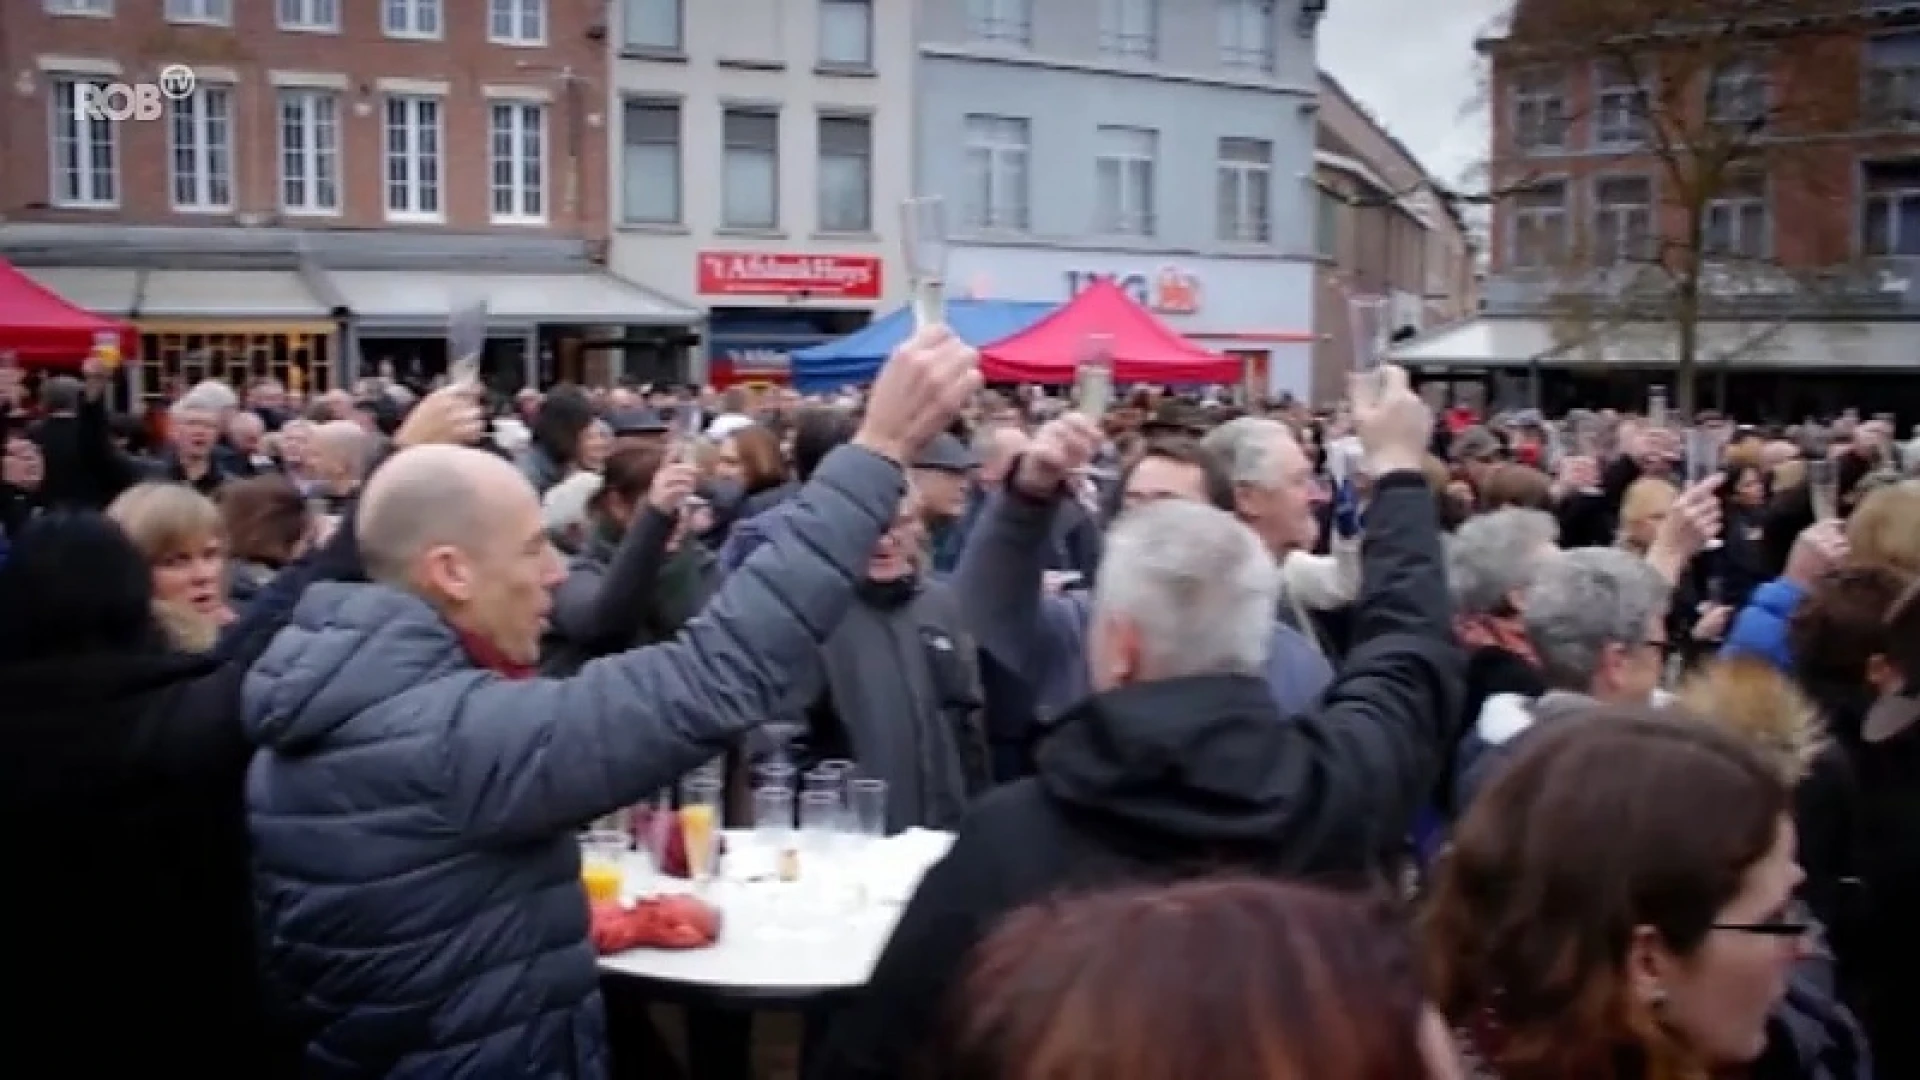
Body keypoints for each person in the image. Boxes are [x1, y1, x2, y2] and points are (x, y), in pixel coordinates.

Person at [244, 329, 980, 1076]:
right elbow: (716, 674)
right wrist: (878, 447)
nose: (556, 576)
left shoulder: (318, 712)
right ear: (452, 572)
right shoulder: (446, 740)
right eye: (534, 550)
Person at [810, 366, 1463, 1080]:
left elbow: (872, 1057)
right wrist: (1398, 471)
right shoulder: (1337, 790)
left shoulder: (1011, 844)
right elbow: (1410, 652)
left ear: (1119, 649)